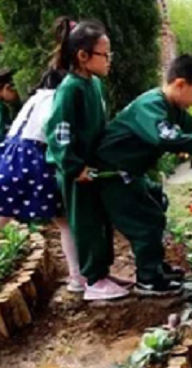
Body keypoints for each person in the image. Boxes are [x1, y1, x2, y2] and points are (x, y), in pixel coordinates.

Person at [93, 54, 192, 297]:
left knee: (157, 209)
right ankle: (148, 279)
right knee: (145, 224)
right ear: (180, 84)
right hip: (113, 176)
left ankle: (156, 268)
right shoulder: (151, 106)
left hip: (129, 174)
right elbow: (165, 138)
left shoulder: (174, 108)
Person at [0, 67, 85, 292]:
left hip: (8, 153)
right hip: (32, 155)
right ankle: (77, 278)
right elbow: (54, 133)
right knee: (63, 219)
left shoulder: (36, 98)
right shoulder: (56, 99)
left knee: (7, 205)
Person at [45, 19, 129, 301]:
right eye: (105, 55)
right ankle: (92, 280)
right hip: (77, 173)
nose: (109, 61)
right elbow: (59, 133)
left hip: (93, 169)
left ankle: (101, 273)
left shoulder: (94, 85)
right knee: (87, 224)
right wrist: (73, 166)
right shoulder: (70, 89)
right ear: (83, 56)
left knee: (102, 222)